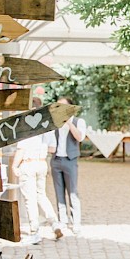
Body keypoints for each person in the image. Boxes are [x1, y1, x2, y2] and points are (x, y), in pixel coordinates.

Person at [12, 99, 63, 244]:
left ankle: (35, 232)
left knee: (30, 199)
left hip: (28, 164)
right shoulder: (48, 126)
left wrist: (14, 166)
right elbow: (53, 149)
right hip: (42, 163)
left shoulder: (27, 125)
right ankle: (54, 224)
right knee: (41, 195)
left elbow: (21, 149)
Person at [49, 96, 87, 235]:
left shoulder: (78, 121)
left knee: (72, 192)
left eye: (63, 106)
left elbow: (80, 137)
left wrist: (69, 123)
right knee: (59, 192)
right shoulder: (54, 122)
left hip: (70, 160)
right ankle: (63, 220)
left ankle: (76, 222)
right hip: (56, 160)